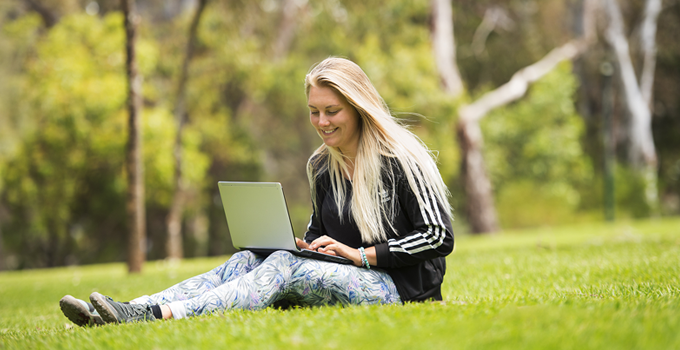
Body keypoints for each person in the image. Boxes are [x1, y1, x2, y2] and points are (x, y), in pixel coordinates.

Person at [59, 57, 455, 326]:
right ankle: (128, 310)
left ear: (358, 107)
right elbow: (321, 231)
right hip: (349, 272)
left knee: (284, 267)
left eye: (331, 111)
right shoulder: (322, 164)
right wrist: (306, 244)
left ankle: (161, 315)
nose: (321, 121)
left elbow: (439, 237)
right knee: (250, 257)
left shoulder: (401, 157)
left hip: (401, 289)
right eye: (314, 111)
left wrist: (362, 255)